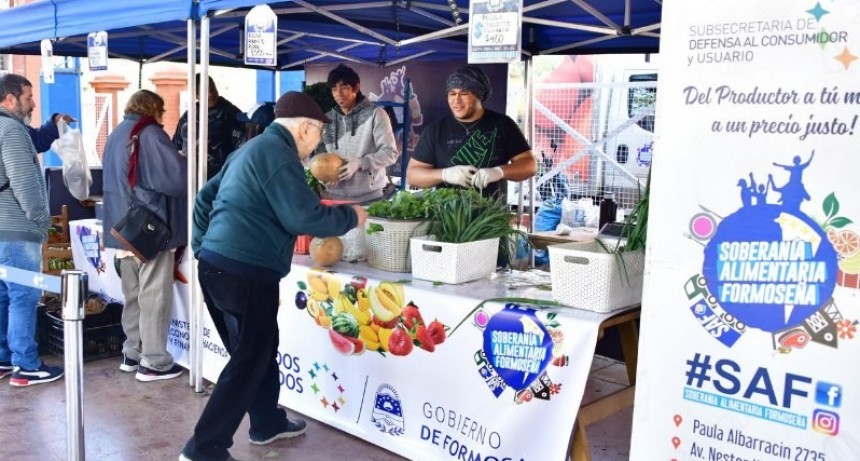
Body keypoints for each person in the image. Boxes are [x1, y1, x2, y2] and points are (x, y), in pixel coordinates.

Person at [180, 91, 367, 461]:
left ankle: (266, 421)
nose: (317, 147)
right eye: (317, 136)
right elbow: (304, 218)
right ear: (304, 129)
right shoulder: (280, 157)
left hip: (218, 266)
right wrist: (352, 216)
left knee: (257, 349)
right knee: (249, 358)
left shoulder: (249, 150)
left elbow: (203, 199)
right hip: (245, 271)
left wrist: (204, 247)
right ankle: (204, 448)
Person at [102, 90, 187, 382]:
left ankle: (132, 352)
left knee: (133, 295)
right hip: (149, 227)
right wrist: (184, 160)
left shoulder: (116, 133)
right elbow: (175, 180)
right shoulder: (150, 134)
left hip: (123, 228)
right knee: (153, 296)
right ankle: (154, 361)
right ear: (154, 110)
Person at [0, 74, 64, 387]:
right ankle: (25, 365)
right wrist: (41, 221)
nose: (33, 103)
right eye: (28, 97)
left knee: (2, 297)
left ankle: (3, 357)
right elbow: (25, 181)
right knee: (23, 296)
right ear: (9, 100)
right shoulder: (11, 130)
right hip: (15, 229)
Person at [406, 65, 537, 198]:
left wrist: (499, 171)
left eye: (464, 94)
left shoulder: (503, 124)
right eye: (452, 94)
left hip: (491, 214)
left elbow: (530, 165)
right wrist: (445, 174)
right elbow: (412, 176)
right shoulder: (435, 130)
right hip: (446, 215)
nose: (456, 101)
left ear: (479, 96)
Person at [317, 64, 398, 203]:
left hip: (370, 198)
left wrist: (361, 163)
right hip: (334, 197)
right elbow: (318, 154)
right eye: (334, 89)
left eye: (344, 87)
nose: (338, 93)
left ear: (356, 87)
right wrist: (322, 175)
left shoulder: (376, 114)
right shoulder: (327, 119)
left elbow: (390, 153)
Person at [173, 75, 247, 180]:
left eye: (212, 89)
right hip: (191, 177)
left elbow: (242, 148)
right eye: (204, 90)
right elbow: (177, 145)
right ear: (196, 94)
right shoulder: (189, 115)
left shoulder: (231, 113)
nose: (210, 93)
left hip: (220, 177)